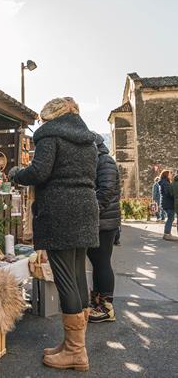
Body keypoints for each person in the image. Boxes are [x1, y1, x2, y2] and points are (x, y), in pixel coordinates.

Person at [10, 97, 98, 372]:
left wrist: (15, 173)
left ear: (51, 117)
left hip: (60, 212)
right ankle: (74, 345)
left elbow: (39, 171)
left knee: (65, 280)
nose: (41, 124)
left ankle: (75, 351)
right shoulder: (89, 140)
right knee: (77, 276)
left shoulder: (49, 134)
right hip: (85, 209)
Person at [87, 133, 121, 323]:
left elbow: (106, 191)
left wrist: (92, 212)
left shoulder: (105, 161)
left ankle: (107, 309)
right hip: (103, 221)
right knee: (98, 263)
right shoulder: (100, 161)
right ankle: (98, 303)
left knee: (102, 263)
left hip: (104, 222)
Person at [158, 170, 176, 241]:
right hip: (168, 203)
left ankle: (167, 233)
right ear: (166, 175)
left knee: (170, 218)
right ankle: (167, 234)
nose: (171, 175)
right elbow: (168, 192)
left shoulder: (164, 182)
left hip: (166, 203)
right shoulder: (165, 182)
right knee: (170, 218)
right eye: (170, 174)